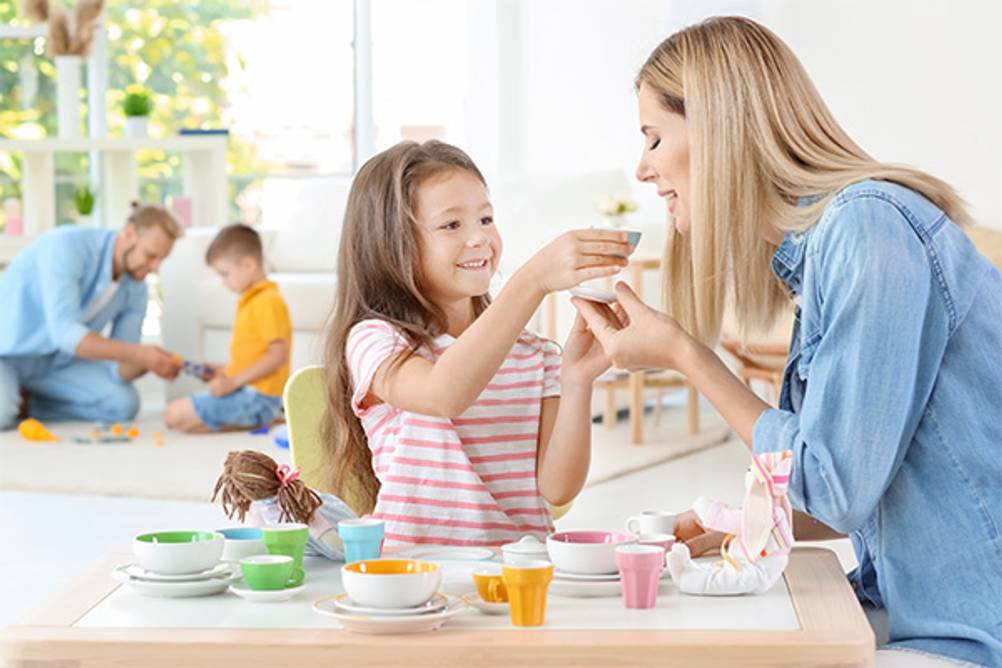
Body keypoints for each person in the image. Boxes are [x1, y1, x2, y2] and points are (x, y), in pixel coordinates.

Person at [573, 16, 1002, 668]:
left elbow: (834, 488)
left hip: (971, 628)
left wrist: (686, 356)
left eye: (654, 138)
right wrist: (728, 522)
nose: (643, 168)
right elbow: (865, 490)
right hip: (912, 605)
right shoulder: (832, 245)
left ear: (718, 128)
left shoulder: (868, 229)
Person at [323, 140, 630, 546]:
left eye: (486, 219)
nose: (479, 239)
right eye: (451, 225)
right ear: (390, 244)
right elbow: (443, 394)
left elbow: (557, 489)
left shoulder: (534, 354)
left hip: (515, 571)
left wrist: (577, 380)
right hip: (418, 569)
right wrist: (532, 280)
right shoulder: (376, 340)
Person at [0, 203, 183, 429]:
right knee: (1, 414)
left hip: (56, 363)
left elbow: (120, 367)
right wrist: (139, 354)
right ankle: (10, 400)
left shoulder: (136, 287)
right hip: (8, 355)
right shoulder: (67, 246)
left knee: (122, 404)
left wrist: (148, 362)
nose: (155, 268)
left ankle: (26, 402)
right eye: (150, 255)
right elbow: (65, 333)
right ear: (128, 233)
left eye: (161, 260)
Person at [164, 224, 291, 433]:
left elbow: (278, 356)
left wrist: (232, 382)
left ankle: (265, 416)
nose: (223, 282)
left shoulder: (267, 301)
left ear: (248, 264)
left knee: (174, 415)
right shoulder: (251, 300)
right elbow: (254, 357)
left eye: (225, 274)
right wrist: (225, 371)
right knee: (184, 422)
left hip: (258, 397)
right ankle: (266, 417)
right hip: (250, 393)